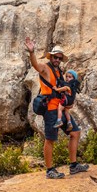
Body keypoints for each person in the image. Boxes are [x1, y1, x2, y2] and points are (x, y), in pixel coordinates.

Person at [24, 36, 89, 179]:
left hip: (59, 108)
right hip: (50, 110)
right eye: (55, 57)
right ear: (51, 56)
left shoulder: (59, 71)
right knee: (50, 139)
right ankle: (50, 170)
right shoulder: (46, 68)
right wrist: (32, 52)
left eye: (60, 58)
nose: (57, 60)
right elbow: (35, 65)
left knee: (75, 133)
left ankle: (73, 166)